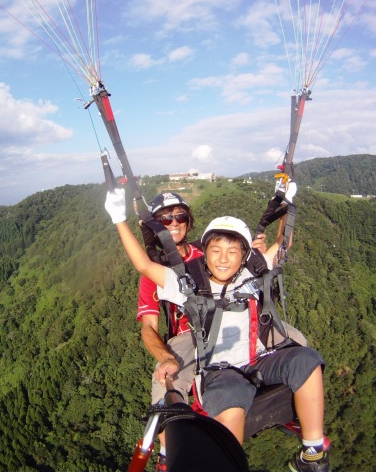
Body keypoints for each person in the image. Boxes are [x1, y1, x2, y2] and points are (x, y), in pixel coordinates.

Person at [105, 184, 330, 472]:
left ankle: (308, 434)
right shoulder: (188, 280)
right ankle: (168, 447)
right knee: (171, 383)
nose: (223, 258)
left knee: (303, 352)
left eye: (179, 218)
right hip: (196, 338)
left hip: (251, 341)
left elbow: (280, 245)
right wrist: (118, 218)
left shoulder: (226, 261)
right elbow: (144, 267)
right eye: (165, 219)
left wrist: (285, 203)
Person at [136, 193, 202, 471]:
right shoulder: (154, 273)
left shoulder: (208, 252)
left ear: (188, 221)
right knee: (166, 386)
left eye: (180, 217)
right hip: (186, 339)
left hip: (220, 327)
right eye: (165, 219)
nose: (173, 223)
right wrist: (164, 356)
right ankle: (168, 453)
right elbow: (148, 327)